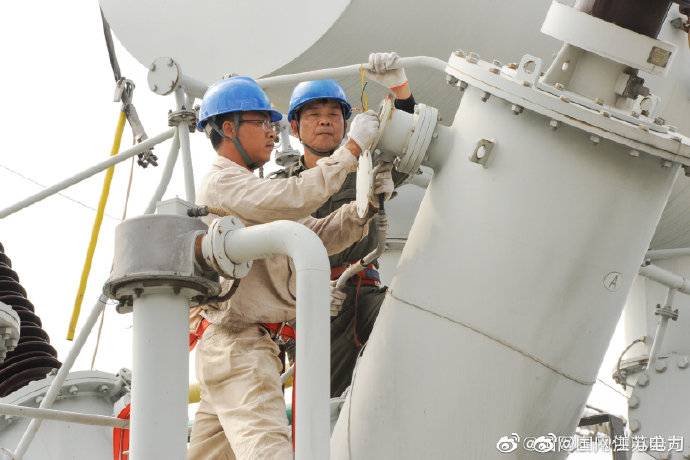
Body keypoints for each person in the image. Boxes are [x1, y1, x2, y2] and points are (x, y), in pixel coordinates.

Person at [188, 76, 393, 459]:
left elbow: (315, 234)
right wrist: (351, 149)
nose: (272, 132)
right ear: (228, 129)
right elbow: (295, 195)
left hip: (240, 347)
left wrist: (362, 208)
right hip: (241, 347)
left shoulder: (248, 189)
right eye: (261, 122)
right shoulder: (224, 184)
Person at [274, 52, 417, 397]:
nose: (324, 121)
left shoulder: (366, 165)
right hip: (311, 303)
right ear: (294, 127)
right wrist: (302, 293)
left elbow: (410, 141)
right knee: (321, 404)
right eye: (313, 115)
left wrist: (400, 88)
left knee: (416, 327)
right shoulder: (279, 187)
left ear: (346, 121)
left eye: (333, 114)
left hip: (366, 294)